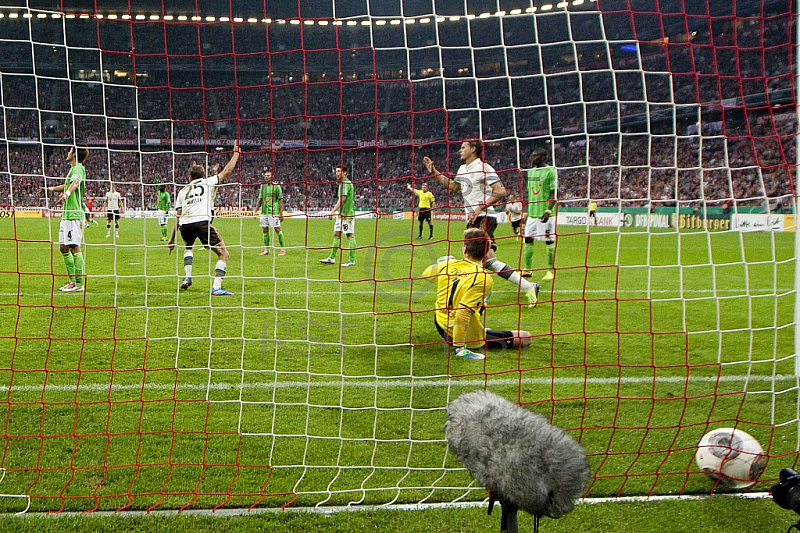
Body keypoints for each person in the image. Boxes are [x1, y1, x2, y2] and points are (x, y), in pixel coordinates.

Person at [423, 140, 539, 307]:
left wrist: (479, 208)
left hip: (484, 216)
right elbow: (454, 187)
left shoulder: (484, 168)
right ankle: (528, 287)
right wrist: (434, 171)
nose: (460, 150)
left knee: (473, 259)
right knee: (489, 261)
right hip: (473, 218)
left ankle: (481, 295)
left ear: (473, 149)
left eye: (463, 147)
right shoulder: (462, 169)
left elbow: (500, 191)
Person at [422, 228, 532, 360]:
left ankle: (479, 324)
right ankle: (476, 335)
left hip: (440, 321)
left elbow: (426, 275)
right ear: (486, 253)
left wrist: (443, 263)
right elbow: (462, 312)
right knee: (525, 337)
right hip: (459, 332)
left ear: (465, 249)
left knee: (473, 297)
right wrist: (459, 347)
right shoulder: (483, 277)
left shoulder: (448, 265)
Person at [168, 142, 240, 295]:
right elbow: (227, 171)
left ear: (189, 177)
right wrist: (236, 154)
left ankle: (187, 278)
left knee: (188, 247)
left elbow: (178, 216)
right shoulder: (208, 182)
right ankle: (217, 287)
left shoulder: (183, 191)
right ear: (203, 176)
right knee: (223, 254)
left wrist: (171, 238)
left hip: (185, 225)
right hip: (201, 222)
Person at [39, 146, 89, 292]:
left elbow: (75, 184)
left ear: (74, 154)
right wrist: (49, 189)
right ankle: (72, 280)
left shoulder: (78, 168)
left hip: (73, 214)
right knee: (63, 247)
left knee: (74, 246)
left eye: (69, 151)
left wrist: (66, 194)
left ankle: (79, 284)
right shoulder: (72, 170)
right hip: (66, 214)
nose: (67, 153)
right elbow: (67, 185)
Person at [521, 148, 558, 281]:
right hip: (532, 214)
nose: (533, 158)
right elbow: (531, 193)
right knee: (528, 240)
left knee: (549, 241)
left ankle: (550, 270)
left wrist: (548, 211)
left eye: (536, 155)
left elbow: (554, 193)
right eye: (532, 155)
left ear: (543, 157)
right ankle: (527, 269)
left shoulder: (550, 171)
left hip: (545, 214)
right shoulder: (530, 172)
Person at [319, 165, 356, 267]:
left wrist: (333, 211)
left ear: (345, 173)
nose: (337, 173)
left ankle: (351, 260)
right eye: (336, 171)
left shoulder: (345, 183)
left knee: (349, 235)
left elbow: (342, 199)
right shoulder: (342, 184)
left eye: (339, 171)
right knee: (336, 234)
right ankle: (331, 258)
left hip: (347, 215)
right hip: (341, 215)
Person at [254, 169, 286, 256]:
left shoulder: (276, 186)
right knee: (265, 230)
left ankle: (282, 249)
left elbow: (280, 201)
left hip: (273, 212)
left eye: (268, 175)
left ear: (272, 176)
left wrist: (281, 213)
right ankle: (267, 249)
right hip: (264, 212)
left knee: (277, 229)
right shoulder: (262, 186)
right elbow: (260, 199)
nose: (267, 177)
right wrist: (256, 210)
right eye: (265, 175)